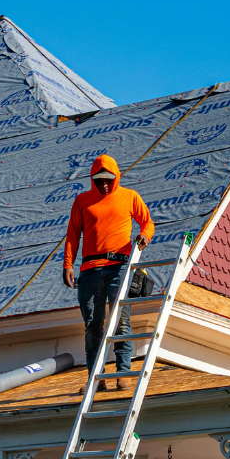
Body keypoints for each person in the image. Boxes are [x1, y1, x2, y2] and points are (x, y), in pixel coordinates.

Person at [62, 154, 155, 386]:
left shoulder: (129, 196)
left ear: (115, 177)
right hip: (90, 269)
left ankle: (122, 373)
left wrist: (144, 236)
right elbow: (73, 234)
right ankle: (95, 377)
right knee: (93, 324)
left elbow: (148, 222)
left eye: (108, 179)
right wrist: (67, 264)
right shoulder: (82, 200)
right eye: (99, 179)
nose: (104, 184)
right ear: (93, 179)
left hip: (118, 267)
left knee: (120, 320)